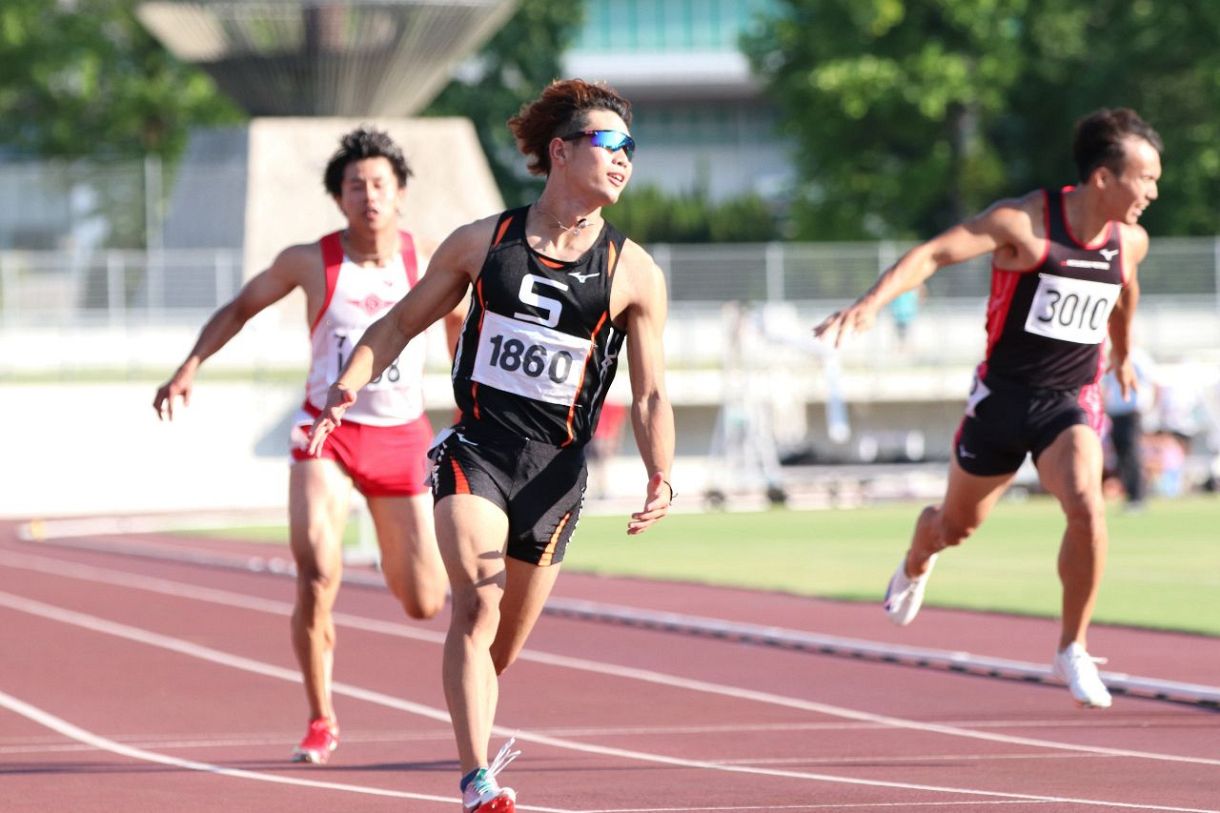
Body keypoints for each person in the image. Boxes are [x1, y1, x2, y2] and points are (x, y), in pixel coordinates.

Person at [307, 79, 675, 812]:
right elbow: (400, 324)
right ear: (561, 152)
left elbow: (652, 392)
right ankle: (479, 781)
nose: (624, 160)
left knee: (498, 646)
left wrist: (661, 472)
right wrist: (346, 386)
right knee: (477, 606)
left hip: (556, 476)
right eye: (609, 145)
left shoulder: (633, 271)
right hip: (478, 451)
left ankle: (469, 718)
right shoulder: (484, 243)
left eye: (631, 149)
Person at [814, 108, 1162, 709]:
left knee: (1086, 503)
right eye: (1145, 179)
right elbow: (933, 255)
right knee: (956, 527)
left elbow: (1124, 290)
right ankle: (918, 559)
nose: (1153, 193)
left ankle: (1071, 648)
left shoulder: (1130, 241)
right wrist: (872, 304)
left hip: (1069, 404)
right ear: (1103, 178)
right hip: (1001, 401)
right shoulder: (1023, 224)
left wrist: (1124, 354)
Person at [153, 127, 455, 763]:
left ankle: (384, 539)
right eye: (356, 186)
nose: (369, 196)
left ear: (400, 193)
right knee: (316, 571)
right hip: (328, 433)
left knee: (425, 603)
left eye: (380, 184)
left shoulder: (426, 256)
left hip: (402, 439)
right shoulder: (309, 261)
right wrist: (191, 364)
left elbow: (460, 322)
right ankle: (321, 718)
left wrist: (470, 403)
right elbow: (240, 307)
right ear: (339, 198)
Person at [1101, 346, 1154, 509]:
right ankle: (1130, 494)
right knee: (1121, 454)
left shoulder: (1138, 357)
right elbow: (1107, 384)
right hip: (1116, 412)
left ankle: (1138, 495)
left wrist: (1149, 405)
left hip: (1131, 411)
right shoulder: (1113, 356)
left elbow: (1150, 381)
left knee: (1132, 453)